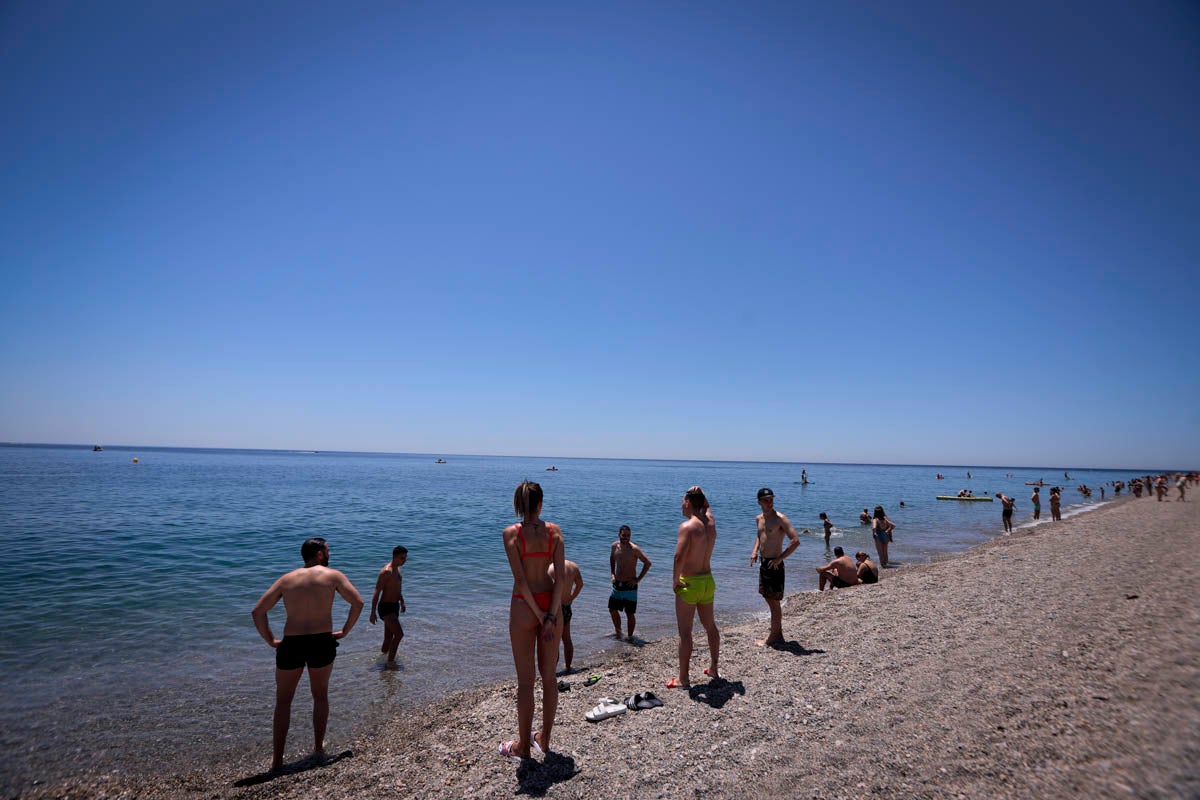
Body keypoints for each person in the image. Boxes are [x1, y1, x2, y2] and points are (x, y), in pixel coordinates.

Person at [251, 537, 364, 772]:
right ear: (320, 553)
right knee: (320, 695)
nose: (330, 553)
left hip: (291, 643)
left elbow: (258, 611)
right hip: (322, 641)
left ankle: (277, 763)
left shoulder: (287, 579)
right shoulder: (333, 576)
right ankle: (318, 751)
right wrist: (344, 631)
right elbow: (358, 603)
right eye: (328, 550)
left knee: (283, 701)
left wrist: (271, 640)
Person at [499, 480, 564, 761]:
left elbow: (520, 580)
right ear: (540, 503)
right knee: (549, 678)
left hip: (524, 609)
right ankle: (545, 741)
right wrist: (550, 616)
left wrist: (538, 616)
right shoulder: (554, 532)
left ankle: (523, 747)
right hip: (552, 606)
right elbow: (561, 578)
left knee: (525, 682)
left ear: (518, 505)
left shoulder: (511, 534)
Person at [667, 486, 720, 689]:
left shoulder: (688, 526)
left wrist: (674, 581)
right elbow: (707, 508)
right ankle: (714, 668)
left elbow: (678, 557)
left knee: (685, 633)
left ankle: (683, 678)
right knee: (710, 626)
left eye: (683, 500)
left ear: (688, 502)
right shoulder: (710, 524)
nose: (681, 504)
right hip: (708, 581)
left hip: (690, 583)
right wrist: (702, 494)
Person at [749, 487, 799, 647]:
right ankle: (778, 635)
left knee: (773, 601)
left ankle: (773, 637)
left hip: (774, 564)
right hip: (764, 563)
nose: (769, 502)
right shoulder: (759, 518)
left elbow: (795, 541)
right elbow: (760, 535)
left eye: (771, 499)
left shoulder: (780, 519)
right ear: (759, 502)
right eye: (766, 500)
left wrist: (780, 558)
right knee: (768, 598)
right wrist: (755, 551)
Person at [608, 525, 652, 640]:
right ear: (619, 534)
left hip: (630, 586)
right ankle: (618, 632)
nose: (626, 538)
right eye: (624, 535)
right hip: (617, 584)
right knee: (612, 610)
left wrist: (638, 579)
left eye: (628, 536)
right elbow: (612, 558)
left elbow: (647, 563)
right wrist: (612, 573)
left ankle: (630, 637)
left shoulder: (634, 550)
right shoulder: (614, 546)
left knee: (630, 613)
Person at [369, 545, 407, 667]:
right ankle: (390, 663)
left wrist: (402, 601)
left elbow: (397, 589)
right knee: (399, 634)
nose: (404, 561)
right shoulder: (386, 571)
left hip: (394, 606)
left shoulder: (398, 570)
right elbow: (376, 591)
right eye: (402, 558)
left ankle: (382, 658)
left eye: (405, 558)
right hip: (385, 607)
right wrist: (373, 612)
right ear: (395, 557)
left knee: (388, 638)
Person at [550, 558, 583, 671]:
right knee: (566, 638)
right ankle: (568, 667)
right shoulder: (573, 566)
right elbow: (580, 584)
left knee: (554, 642)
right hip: (566, 606)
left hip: (554, 609)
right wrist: (572, 597)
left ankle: (552, 671)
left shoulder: (550, 568)